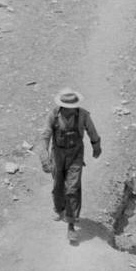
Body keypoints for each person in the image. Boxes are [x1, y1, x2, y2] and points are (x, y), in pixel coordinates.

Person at [40, 89, 101, 235]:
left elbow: (92, 131)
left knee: (72, 188)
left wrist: (96, 146)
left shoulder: (83, 115)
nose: (71, 109)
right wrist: (44, 157)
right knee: (58, 185)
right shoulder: (53, 116)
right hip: (58, 154)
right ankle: (59, 209)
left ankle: (71, 223)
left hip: (75, 154)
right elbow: (45, 136)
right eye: (68, 107)